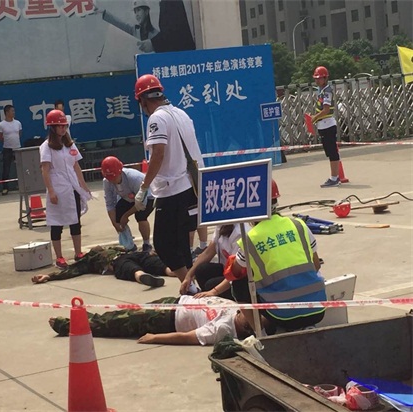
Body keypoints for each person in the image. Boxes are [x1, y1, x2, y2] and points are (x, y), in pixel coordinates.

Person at [195, 180, 327, 334]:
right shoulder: (299, 225)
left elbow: (234, 274)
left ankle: (261, 333)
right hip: (317, 308)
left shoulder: (251, 238)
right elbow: (316, 265)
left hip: (283, 315)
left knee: (239, 285)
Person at [134, 74, 204, 290]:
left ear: (143, 101)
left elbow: (158, 154)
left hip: (172, 189)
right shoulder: (181, 113)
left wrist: (144, 187)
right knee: (182, 242)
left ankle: (190, 287)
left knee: (163, 244)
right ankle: (191, 286)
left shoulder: (157, 118)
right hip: (191, 186)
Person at [49, 294, 254, 345]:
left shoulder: (224, 329)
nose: (243, 311)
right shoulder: (235, 308)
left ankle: (67, 325)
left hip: (165, 319)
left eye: (247, 316)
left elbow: (188, 337)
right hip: (174, 302)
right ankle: (85, 317)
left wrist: (155, 338)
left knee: (117, 323)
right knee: (122, 315)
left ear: (246, 327)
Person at [39, 109, 92, 269]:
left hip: (72, 187)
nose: (63, 129)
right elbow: (45, 170)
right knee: (57, 223)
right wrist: (51, 191)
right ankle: (59, 257)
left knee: (76, 220)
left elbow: (76, 166)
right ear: (52, 127)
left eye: (65, 126)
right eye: (60, 126)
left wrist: (83, 186)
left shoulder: (69, 144)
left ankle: (78, 252)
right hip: (58, 188)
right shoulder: (46, 147)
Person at [31, 246, 170, 288]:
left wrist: (49, 276)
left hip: (123, 259)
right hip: (127, 257)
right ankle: (167, 272)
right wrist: (49, 276)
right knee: (156, 266)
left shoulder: (106, 252)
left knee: (133, 269)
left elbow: (72, 270)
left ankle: (143, 276)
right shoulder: (92, 258)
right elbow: (72, 270)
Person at [181, 224, 251, 298]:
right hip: (227, 271)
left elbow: (236, 272)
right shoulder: (221, 226)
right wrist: (188, 276)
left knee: (210, 285)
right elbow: (207, 253)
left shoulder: (240, 233)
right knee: (201, 270)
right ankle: (204, 297)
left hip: (241, 278)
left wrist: (213, 292)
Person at [101, 156, 154, 252]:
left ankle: (147, 244)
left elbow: (141, 203)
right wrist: (115, 223)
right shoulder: (107, 182)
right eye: (109, 178)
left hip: (147, 196)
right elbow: (110, 203)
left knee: (140, 216)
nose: (112, 181)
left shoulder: (134, 178)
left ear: (120, 172)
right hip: (128, 197)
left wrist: (126, 216)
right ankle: (129, 245)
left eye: (114, 177)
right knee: (118, 216)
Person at [310, 66, 341, 188]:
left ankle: (334, 178)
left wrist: (315, 117)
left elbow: (326, 109)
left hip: (327, 124)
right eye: (316, 78)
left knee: (332, 152)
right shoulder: (321, 90)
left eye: (319, 78)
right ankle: (335, 177)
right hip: (323, 125)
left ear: (325, 78)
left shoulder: (327, 91)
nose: (317, 81)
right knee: (329, 152)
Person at [0, 104, 22, 196]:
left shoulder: (18, 123)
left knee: (20, 168)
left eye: (14, 111)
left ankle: (21, 185)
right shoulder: (1, 125)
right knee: (6, 169)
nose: (14, 112)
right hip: (7, 149)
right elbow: (0, 137)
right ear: (7, 112)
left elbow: (19, 134)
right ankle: (5, 188)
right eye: (12, 111)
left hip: (17, 148)